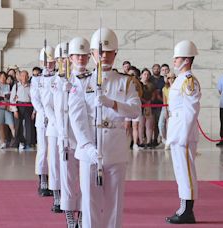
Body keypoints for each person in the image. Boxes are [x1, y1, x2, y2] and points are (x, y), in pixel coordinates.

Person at [69, 28, 141, 228]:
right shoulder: (82, 82)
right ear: (92, 54)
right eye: (99, 52)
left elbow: (136, 111)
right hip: (89, 149)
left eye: (109, 52)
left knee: (114, 204)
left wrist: (112, 104)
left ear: (116, 54)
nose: (104, 56)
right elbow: (77, 117)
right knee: (89, 203)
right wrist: (86, 145)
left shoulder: (126, 82)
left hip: (115, 149)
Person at [166, 40, 201, 224]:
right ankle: (183, 207)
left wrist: (183, 135)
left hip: (183, 133)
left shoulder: (189, 81)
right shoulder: (180, 79)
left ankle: (188, 210)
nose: (174, 61)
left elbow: (191, 110)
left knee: (186, 171)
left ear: (186, 60)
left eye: (177, 58)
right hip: (177, 130)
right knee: (180, 171)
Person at [53, 41, 82, 226]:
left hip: (81, 135)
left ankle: (83, 213)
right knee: (67, 177)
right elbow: (57, 110)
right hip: (65, 135)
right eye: (60, 59)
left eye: (66, 58)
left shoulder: (81, 77)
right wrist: (62, 134)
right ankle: (70, 214)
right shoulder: (56, 80)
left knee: (84, 178)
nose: (64, 62)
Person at [40, 45, 62, 212]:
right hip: (55, 127)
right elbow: (47, 105)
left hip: (72, 127)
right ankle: (57, 197)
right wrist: (57, 123)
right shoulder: (47, 80)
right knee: (54, 162)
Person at [30, 58, 50, 196]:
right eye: (46, 61)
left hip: (56, 120)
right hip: (43, 119)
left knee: (54, 152)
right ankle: (42, 179)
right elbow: (35, 99)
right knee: (43, 150)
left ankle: (54, 181)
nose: (49, 64)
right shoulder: (37, 80)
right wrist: (45, 113)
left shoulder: (58, 77)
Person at [10, 70, 33, 149]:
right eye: (22, 75)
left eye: (26, 75)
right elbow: (12, 99)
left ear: (28, 77)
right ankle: (18, 142)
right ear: (19, 77)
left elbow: (34, 99)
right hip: (19, 106)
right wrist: (15, 110)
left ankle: (29, 143)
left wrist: (34, 111)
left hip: (29, 106)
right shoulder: (16, 86)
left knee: (29, 125)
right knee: (18, 125)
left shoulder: (31, 86)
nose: (24, 77)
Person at [0, 71, 15, 149]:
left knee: (11, 125)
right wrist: (4, 97)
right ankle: (3, 142)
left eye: (4, 77)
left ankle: (16, 140)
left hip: (8, 108)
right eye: (1, 77)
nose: (2, 79)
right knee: (0, 125)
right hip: (0, 108)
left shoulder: (10, 86)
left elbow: (11, 97)